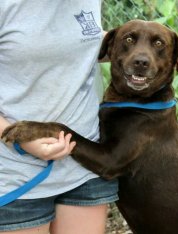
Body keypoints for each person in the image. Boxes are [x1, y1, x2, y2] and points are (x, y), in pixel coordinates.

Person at [0, 1, 118, 233]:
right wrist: (18, 138)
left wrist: (138, 41)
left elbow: (79, 39)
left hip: (86, 161)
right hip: (17, 172)